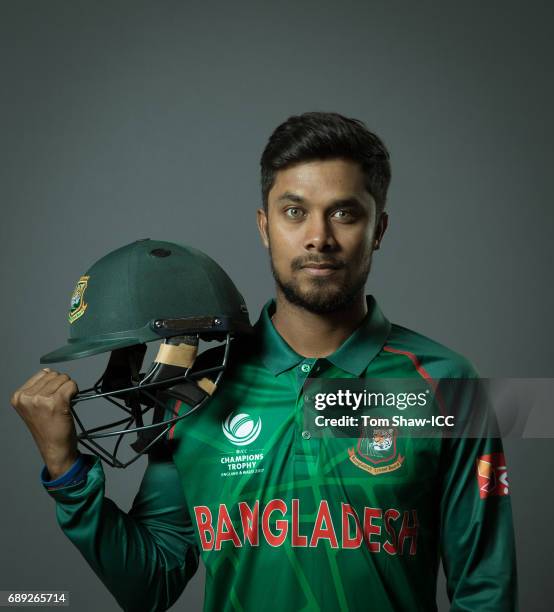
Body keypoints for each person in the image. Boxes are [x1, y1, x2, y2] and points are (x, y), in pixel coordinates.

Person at [11, 112, 518, 611]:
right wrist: (66, 471)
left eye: (344, 213)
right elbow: (150, 583)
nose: (318, 236)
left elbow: (485, 589)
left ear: (378, 229)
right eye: (294, 212)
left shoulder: (447, 382)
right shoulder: (199, 386)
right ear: (264, 226)